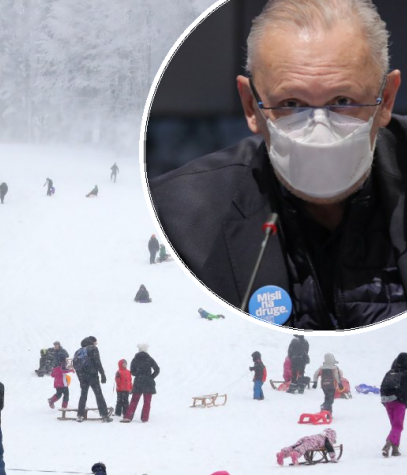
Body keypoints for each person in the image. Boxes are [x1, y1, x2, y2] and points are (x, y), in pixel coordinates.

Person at [149, 0, 406, 330]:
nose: (319, 130)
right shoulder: (179, 220)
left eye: (343, 101)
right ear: (251, 106)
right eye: (291, 104)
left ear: (385, 100)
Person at [73, 337, 112, 423]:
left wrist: (80, 379)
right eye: (95, 342)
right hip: (92, 375)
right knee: (98, 394)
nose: (96, 344)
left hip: (82, 376)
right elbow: (97, 362)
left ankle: (80, 415)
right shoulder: (93, 349)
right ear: (92, 342)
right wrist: (102, 374)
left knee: (83, 395)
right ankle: (104, 415)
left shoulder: (78, 351)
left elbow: (75, 366)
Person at [122, 344, 161, 423]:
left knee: (134, 400)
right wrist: (151, 377)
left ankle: (128, 416)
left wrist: (138, 375)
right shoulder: (149, 359)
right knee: (147, 401)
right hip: (148, 383)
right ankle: (145, 418)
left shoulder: (135, 359)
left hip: (138, 382)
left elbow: (132, 371)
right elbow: (157, 369)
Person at [380, 352, 407, 457]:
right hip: (399, 402)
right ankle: (388, 443)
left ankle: (395, 450)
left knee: (394, 426)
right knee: (398, 426)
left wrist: (384, 401)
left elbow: (382, 386)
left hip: (387, 401)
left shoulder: (390, 372)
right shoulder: (405, 374)